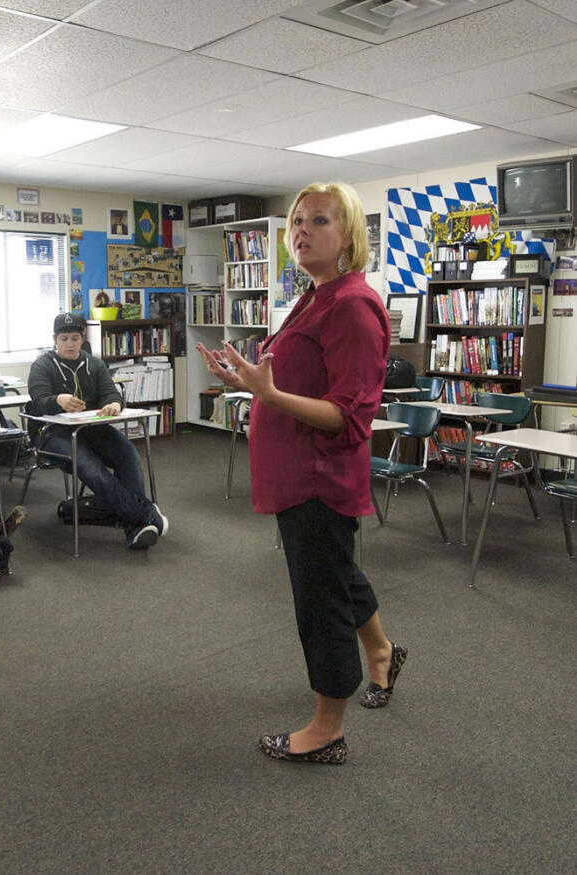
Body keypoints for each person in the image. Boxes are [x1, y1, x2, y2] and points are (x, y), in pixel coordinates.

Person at [195, 181, 403, 766]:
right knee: (337, 575)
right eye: (297, 220)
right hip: (295, 474)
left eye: (320, 220)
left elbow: (347, 417)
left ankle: (327, 729)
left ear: (349, 237)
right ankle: (382, 654)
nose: (302, 230)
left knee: (321, 602)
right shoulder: (315, 295)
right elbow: (295, 382)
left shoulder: (353, 306)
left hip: (319, 477)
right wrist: (253, 384)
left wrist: (271, 394)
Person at [26, 312, 166, 550]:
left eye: (75, 338)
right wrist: (57, 400)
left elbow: (111, 392)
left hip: (90, 428)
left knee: (127, 452)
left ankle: (134, 527)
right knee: (90, 465)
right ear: (55, 339)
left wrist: (114, 403)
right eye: (64, 338)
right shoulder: (42, 365)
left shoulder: (95, 363)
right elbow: (38, 401)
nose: (70, 344)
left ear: (82, 338)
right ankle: (145, 514)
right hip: (51, 433)